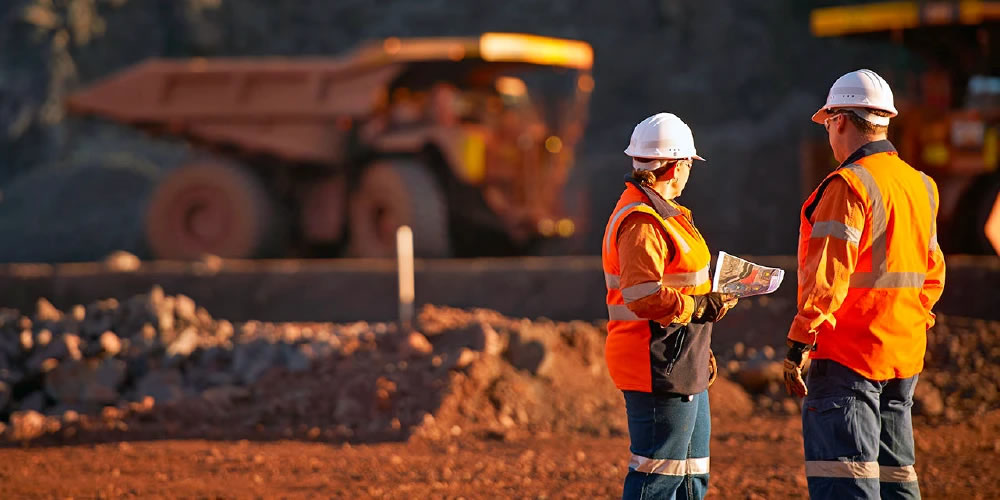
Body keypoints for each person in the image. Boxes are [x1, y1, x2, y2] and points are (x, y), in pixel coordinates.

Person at [783, 69, 946, 499]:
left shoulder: (849, 184)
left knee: (846, 482)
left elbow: (827, 278)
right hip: (903, 354)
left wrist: (800, 340)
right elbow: (933, 274)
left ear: (839, 120)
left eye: (829, 125)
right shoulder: (921, 185)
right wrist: (912, 323)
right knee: (896, 479)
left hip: (849, 357)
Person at [602, 112, 738, 499]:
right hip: (656, 364)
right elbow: (643, 295)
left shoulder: (665, 214)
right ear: (678, 166)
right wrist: (698, 308)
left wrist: (702, 329)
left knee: (691, 476)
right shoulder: (642, 220)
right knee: (657, 478)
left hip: (680, 359)